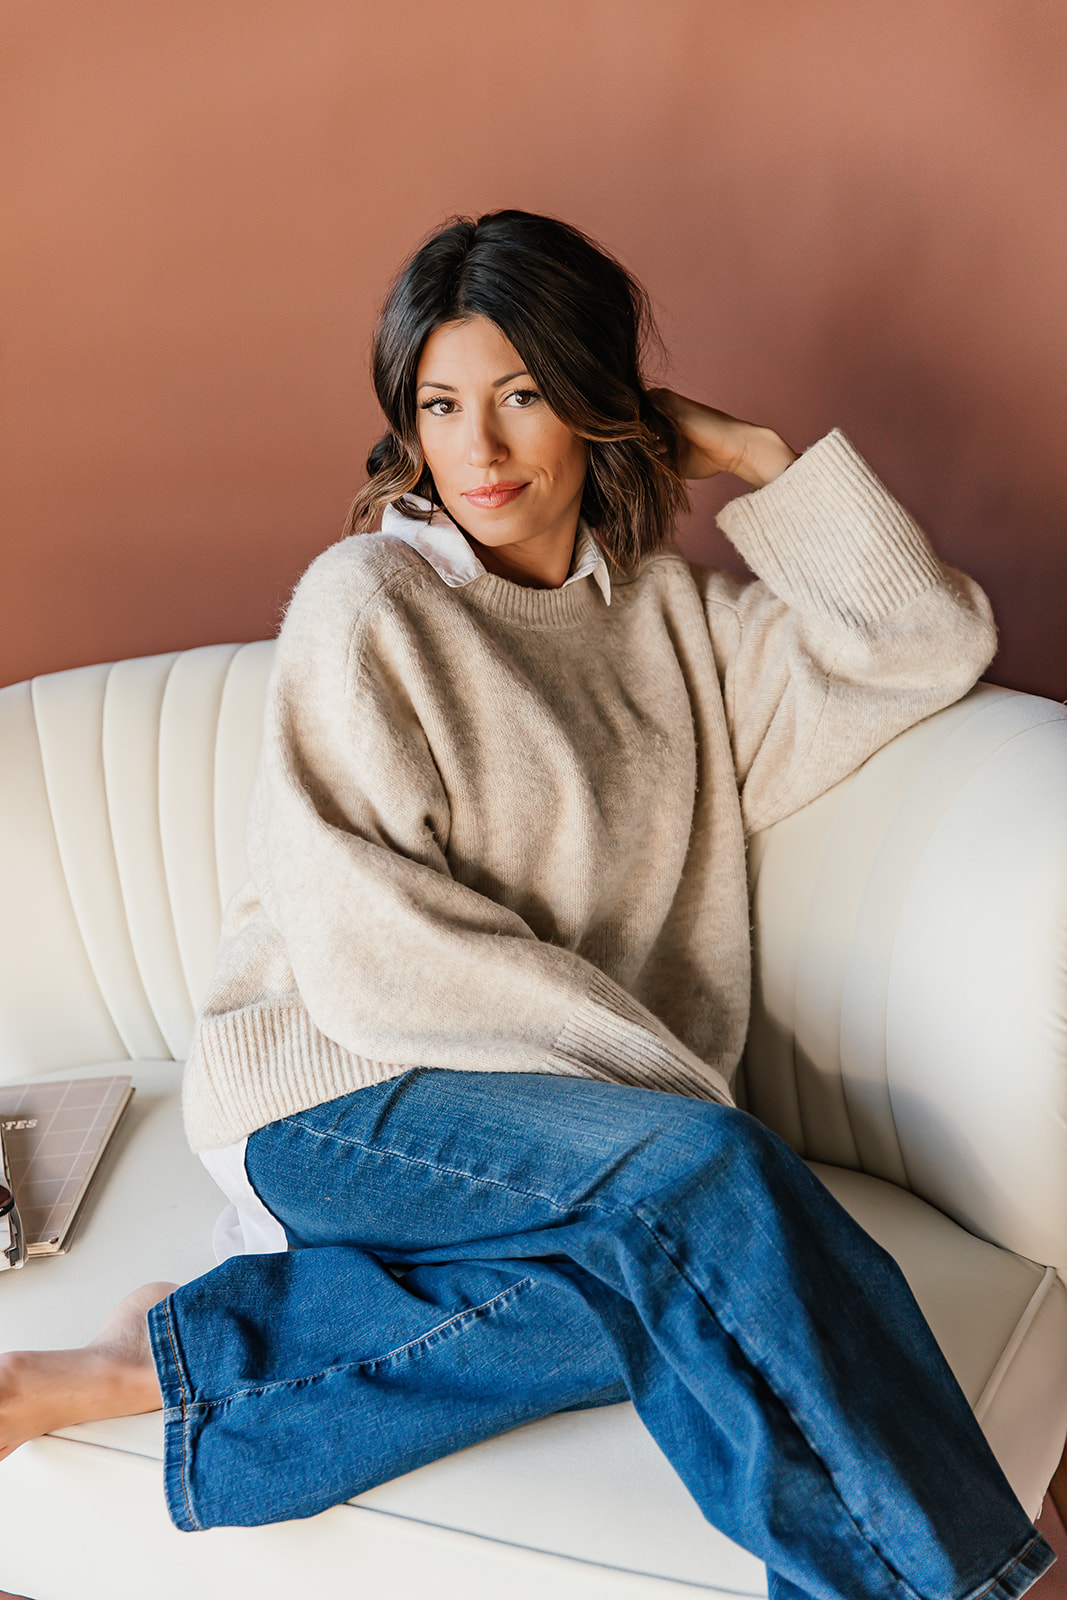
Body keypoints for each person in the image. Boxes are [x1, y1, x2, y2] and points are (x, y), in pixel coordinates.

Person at [0, 210, 1055, 1600]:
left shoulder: (671, 627)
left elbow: (923, 641)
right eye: (441, 407)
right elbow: (374, 955)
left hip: (558, 1128)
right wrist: (660, 1110)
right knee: (700, 1188)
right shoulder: (368, 603)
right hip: (338, 1095)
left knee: (642, 1281)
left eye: (524, 398)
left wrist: (759, 458)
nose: (481, 454)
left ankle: (150, 1363)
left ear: (601, 411)